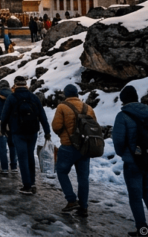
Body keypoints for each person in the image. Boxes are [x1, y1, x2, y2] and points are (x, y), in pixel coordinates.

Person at [112, 85, 148, 235]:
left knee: (135, 196)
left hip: (133, 163)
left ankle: (142, 229)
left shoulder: (122, 116)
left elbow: (118, 140)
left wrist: (124, 154)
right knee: (147, 191)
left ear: (123, 100)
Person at [0, 75, 52, 194]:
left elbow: (5, 115)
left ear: (15, 85)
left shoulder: (12, 97)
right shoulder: (33, 97)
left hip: (18, 132)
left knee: (22, 158)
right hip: (32, 131)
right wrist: (47, 132)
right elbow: (42, 116)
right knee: (30, 156)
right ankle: (32, 182)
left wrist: (3, 128)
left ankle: (27, 186)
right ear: (26, 84)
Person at [52, 84, 96, 215]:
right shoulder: (88, 108)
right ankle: (84, 207)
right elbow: (94, 126)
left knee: (61, 171)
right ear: (77, 94)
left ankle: (71, 200)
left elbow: (56, 126)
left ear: (66, 94)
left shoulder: (62, 107)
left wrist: (63, 134)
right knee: (83, 177)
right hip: (85, 147)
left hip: (68, 146)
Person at [0, 80, 18, 174]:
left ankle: (4, 168)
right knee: (12, 145)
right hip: (12, 123)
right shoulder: (13, 95)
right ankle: (14, 167)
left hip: (0, 123)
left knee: (2, 147)